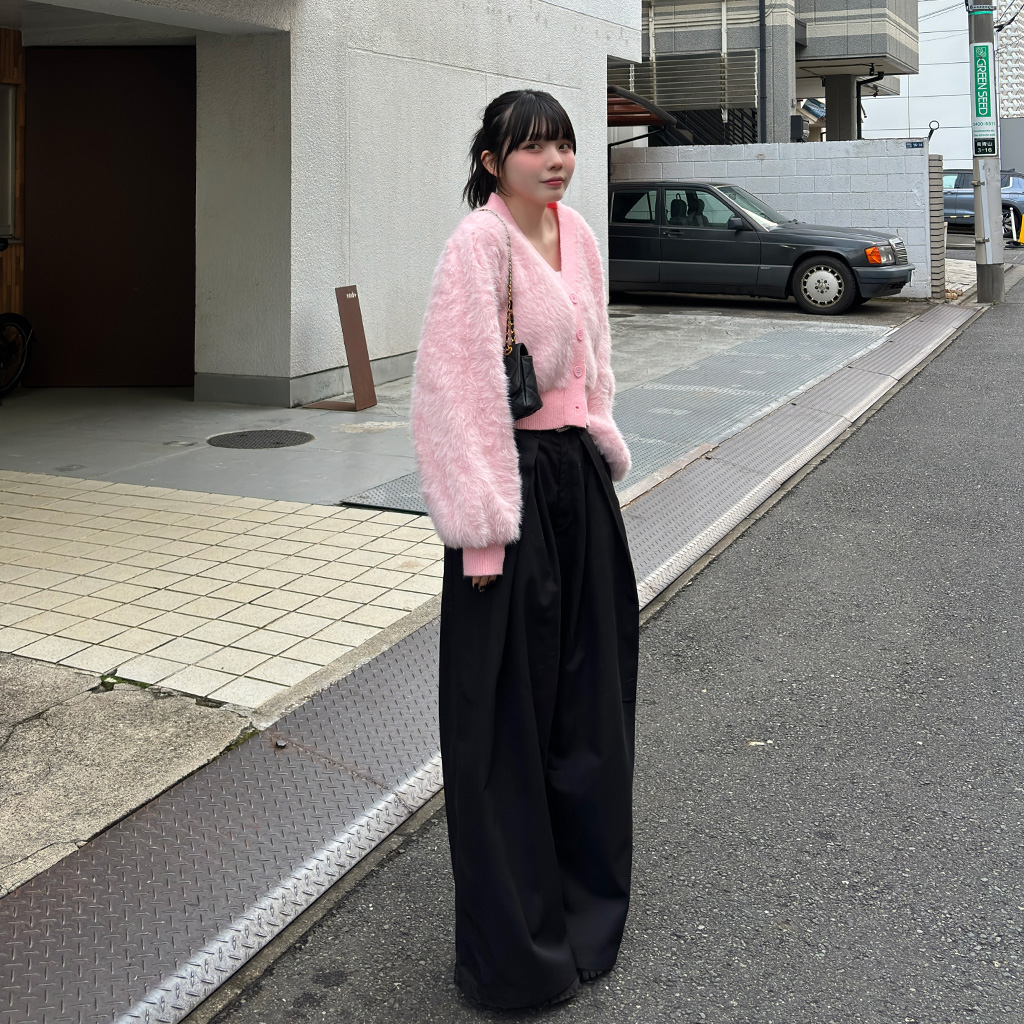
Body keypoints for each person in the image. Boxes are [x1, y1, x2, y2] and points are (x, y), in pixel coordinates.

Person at [410, 89, 640, 1011]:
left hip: (578, 480)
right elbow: (453, 390)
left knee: (590, 708)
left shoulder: (577, 233)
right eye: (534, 146)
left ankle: (587, 918)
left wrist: (602, 440)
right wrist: (480, 534)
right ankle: (519, 956)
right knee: (502, 729)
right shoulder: (479, 243)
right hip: (509, 499)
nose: (554, 161)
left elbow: (596, 357)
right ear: (492, 160)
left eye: (564, 145)